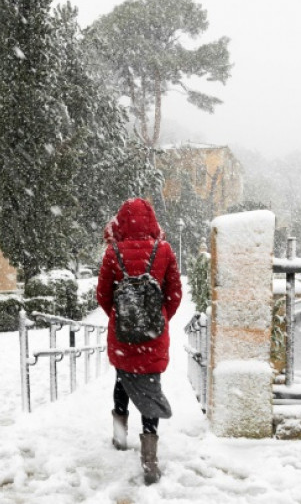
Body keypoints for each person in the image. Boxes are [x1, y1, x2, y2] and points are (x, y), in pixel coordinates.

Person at [96, 198, 182, 485]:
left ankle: (120, 438)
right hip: (153, 336)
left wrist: (121, 317)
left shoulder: (113, 252)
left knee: (122, 381)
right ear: (151, 221)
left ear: (121, 221)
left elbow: (103, 295)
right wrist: (158, 318)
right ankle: (149, 458)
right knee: (151, 389)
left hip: (122, 335)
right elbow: (174, 292)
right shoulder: (164, 249)